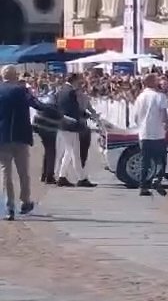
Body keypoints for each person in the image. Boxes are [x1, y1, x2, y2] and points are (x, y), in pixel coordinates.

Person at [0, 65, 49, 220]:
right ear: (15, 76)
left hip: (3, 137)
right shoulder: (22, 90)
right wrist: (54, 109)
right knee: (23, 172)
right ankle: (25, 201)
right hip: (21, 136)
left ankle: (9, 207)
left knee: (5, 173)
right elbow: (38, 105)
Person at [55, 73, 96, 188]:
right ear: (74, 80)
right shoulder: (71, 92)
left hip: (63, 124)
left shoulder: (61, 90)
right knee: (75, 152)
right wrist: (85, 115)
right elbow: (74, 109)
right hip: (72, 125)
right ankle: (81, 178)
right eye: (79, 80)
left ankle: (62, 176)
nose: (80, 82)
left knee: (69, 151)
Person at [134, 73, 168, 196]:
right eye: (156, 80)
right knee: (160, 160)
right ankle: (157, 180)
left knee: (145, 161)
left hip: (144, 133)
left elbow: (135, 117)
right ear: (152, 82)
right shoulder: (159, 96)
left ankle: (143, 186)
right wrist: (167, 126)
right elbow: (164, 114)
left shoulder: (140, 97)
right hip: (158, 132)